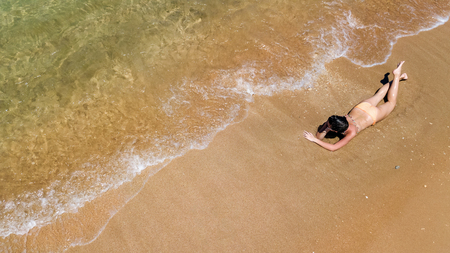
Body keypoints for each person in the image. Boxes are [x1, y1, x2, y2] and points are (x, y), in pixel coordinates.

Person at [303, 61, 407, 151]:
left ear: (336, 130)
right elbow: (321, 137)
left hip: (370, 114)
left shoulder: (351, 132)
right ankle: (397, 77)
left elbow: (332, 147)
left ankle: (397, 77)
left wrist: (316, 138)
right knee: (379, 95)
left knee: (390, 102)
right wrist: (328, 127)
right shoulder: (338, 120)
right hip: (362, 108)